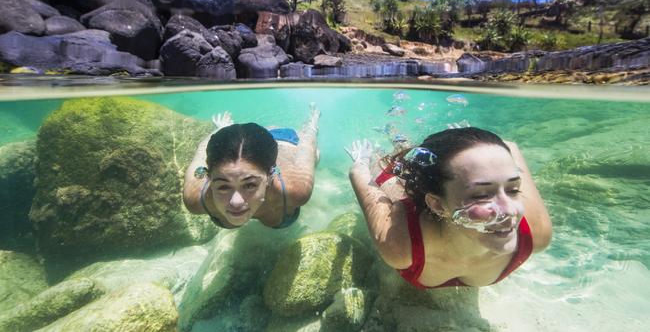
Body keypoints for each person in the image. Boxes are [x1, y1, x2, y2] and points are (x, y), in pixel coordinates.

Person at [346, 127, 552, 288]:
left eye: (514, 189)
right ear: (437, 204)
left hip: (446, 187)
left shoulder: (536, 234)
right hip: (408, 199)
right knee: (392, 169)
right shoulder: (401, 245)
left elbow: (509, 146)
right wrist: (360, 162)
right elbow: (361, 178)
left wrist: (473, 150)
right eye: (481, 195)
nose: (510, 211)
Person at [183, 106, 319, 229]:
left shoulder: (294, 189)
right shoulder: (196, 198)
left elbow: (307, 145)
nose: (236, 203)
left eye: (249, 185)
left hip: (286, 141)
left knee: (316, 156)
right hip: (253, 147)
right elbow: (202, 152)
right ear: (208, 177)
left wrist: (311, 126)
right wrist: (222, 130)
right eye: (223, 187)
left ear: (270, 177)